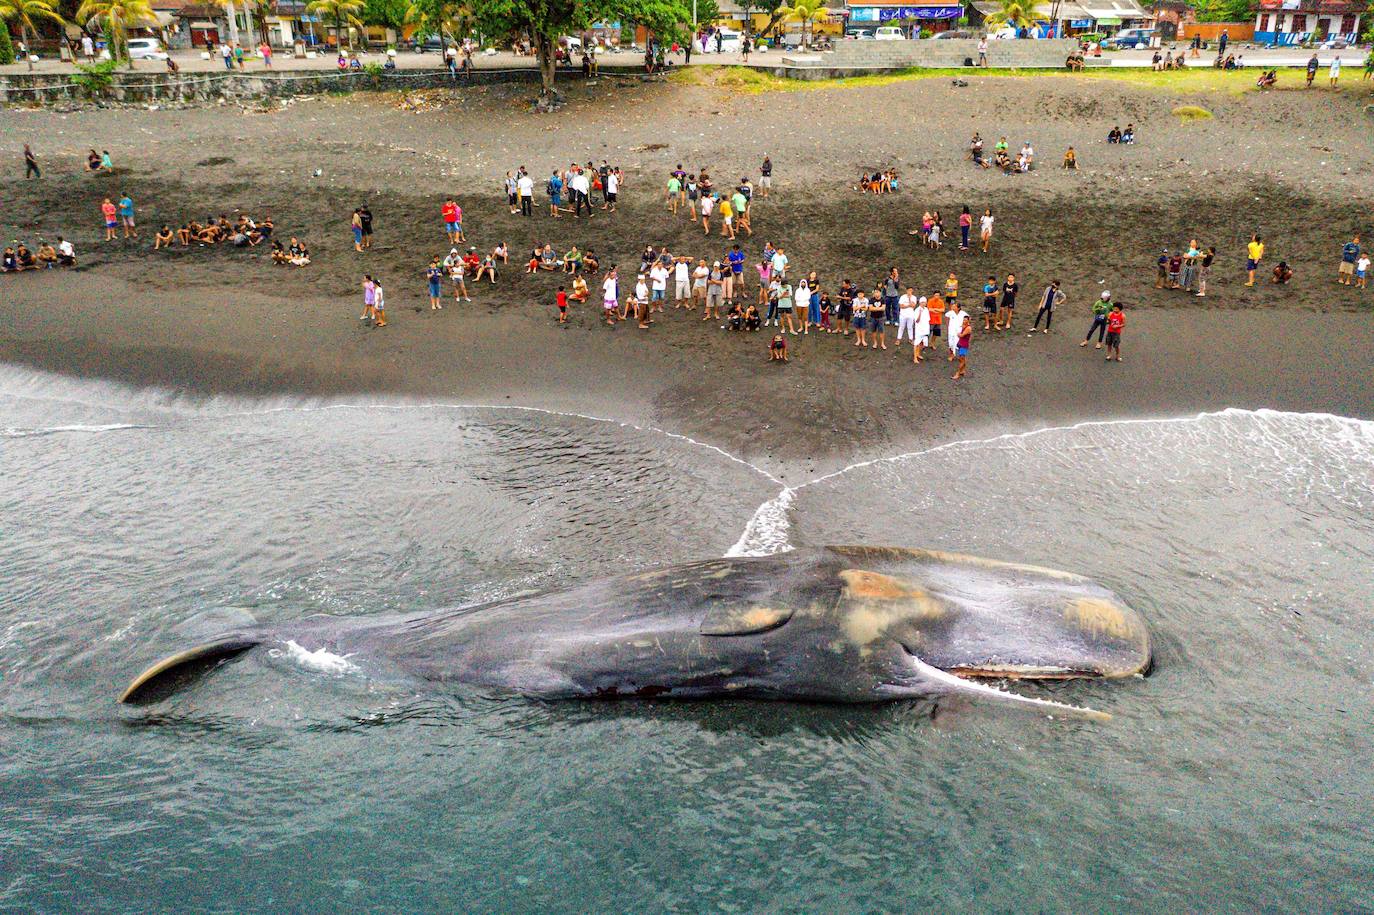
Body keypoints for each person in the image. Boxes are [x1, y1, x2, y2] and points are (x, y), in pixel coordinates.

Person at [951, 314, 972, 380]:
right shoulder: (964, 326)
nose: (964, 321)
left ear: (968, 321)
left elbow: (961, 335)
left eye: (965, 320)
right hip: (961, 344)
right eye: (963, 320)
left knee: (961, 360)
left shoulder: (968, 328)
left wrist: (958, 334)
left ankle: (958, 373)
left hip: (964, 345)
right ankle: (962, 370)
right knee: (962, 359)